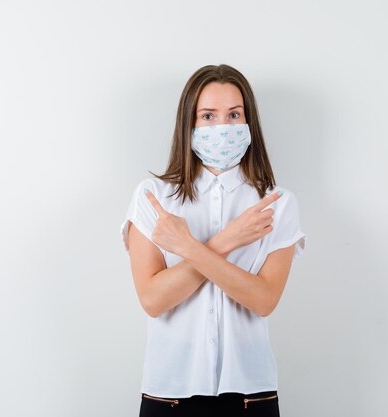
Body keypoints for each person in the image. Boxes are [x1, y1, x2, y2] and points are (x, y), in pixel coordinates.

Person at [120, 64, 308, 417]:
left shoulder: (277, 203)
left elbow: (263, 299)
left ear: (249, 122)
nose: (223, 127)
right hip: (168, 396)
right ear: (189, 124)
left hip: (252, 396)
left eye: (234, 114)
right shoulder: (153, 198)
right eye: (208, 116)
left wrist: (189, 247)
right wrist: (229, 240)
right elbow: (154, 299)